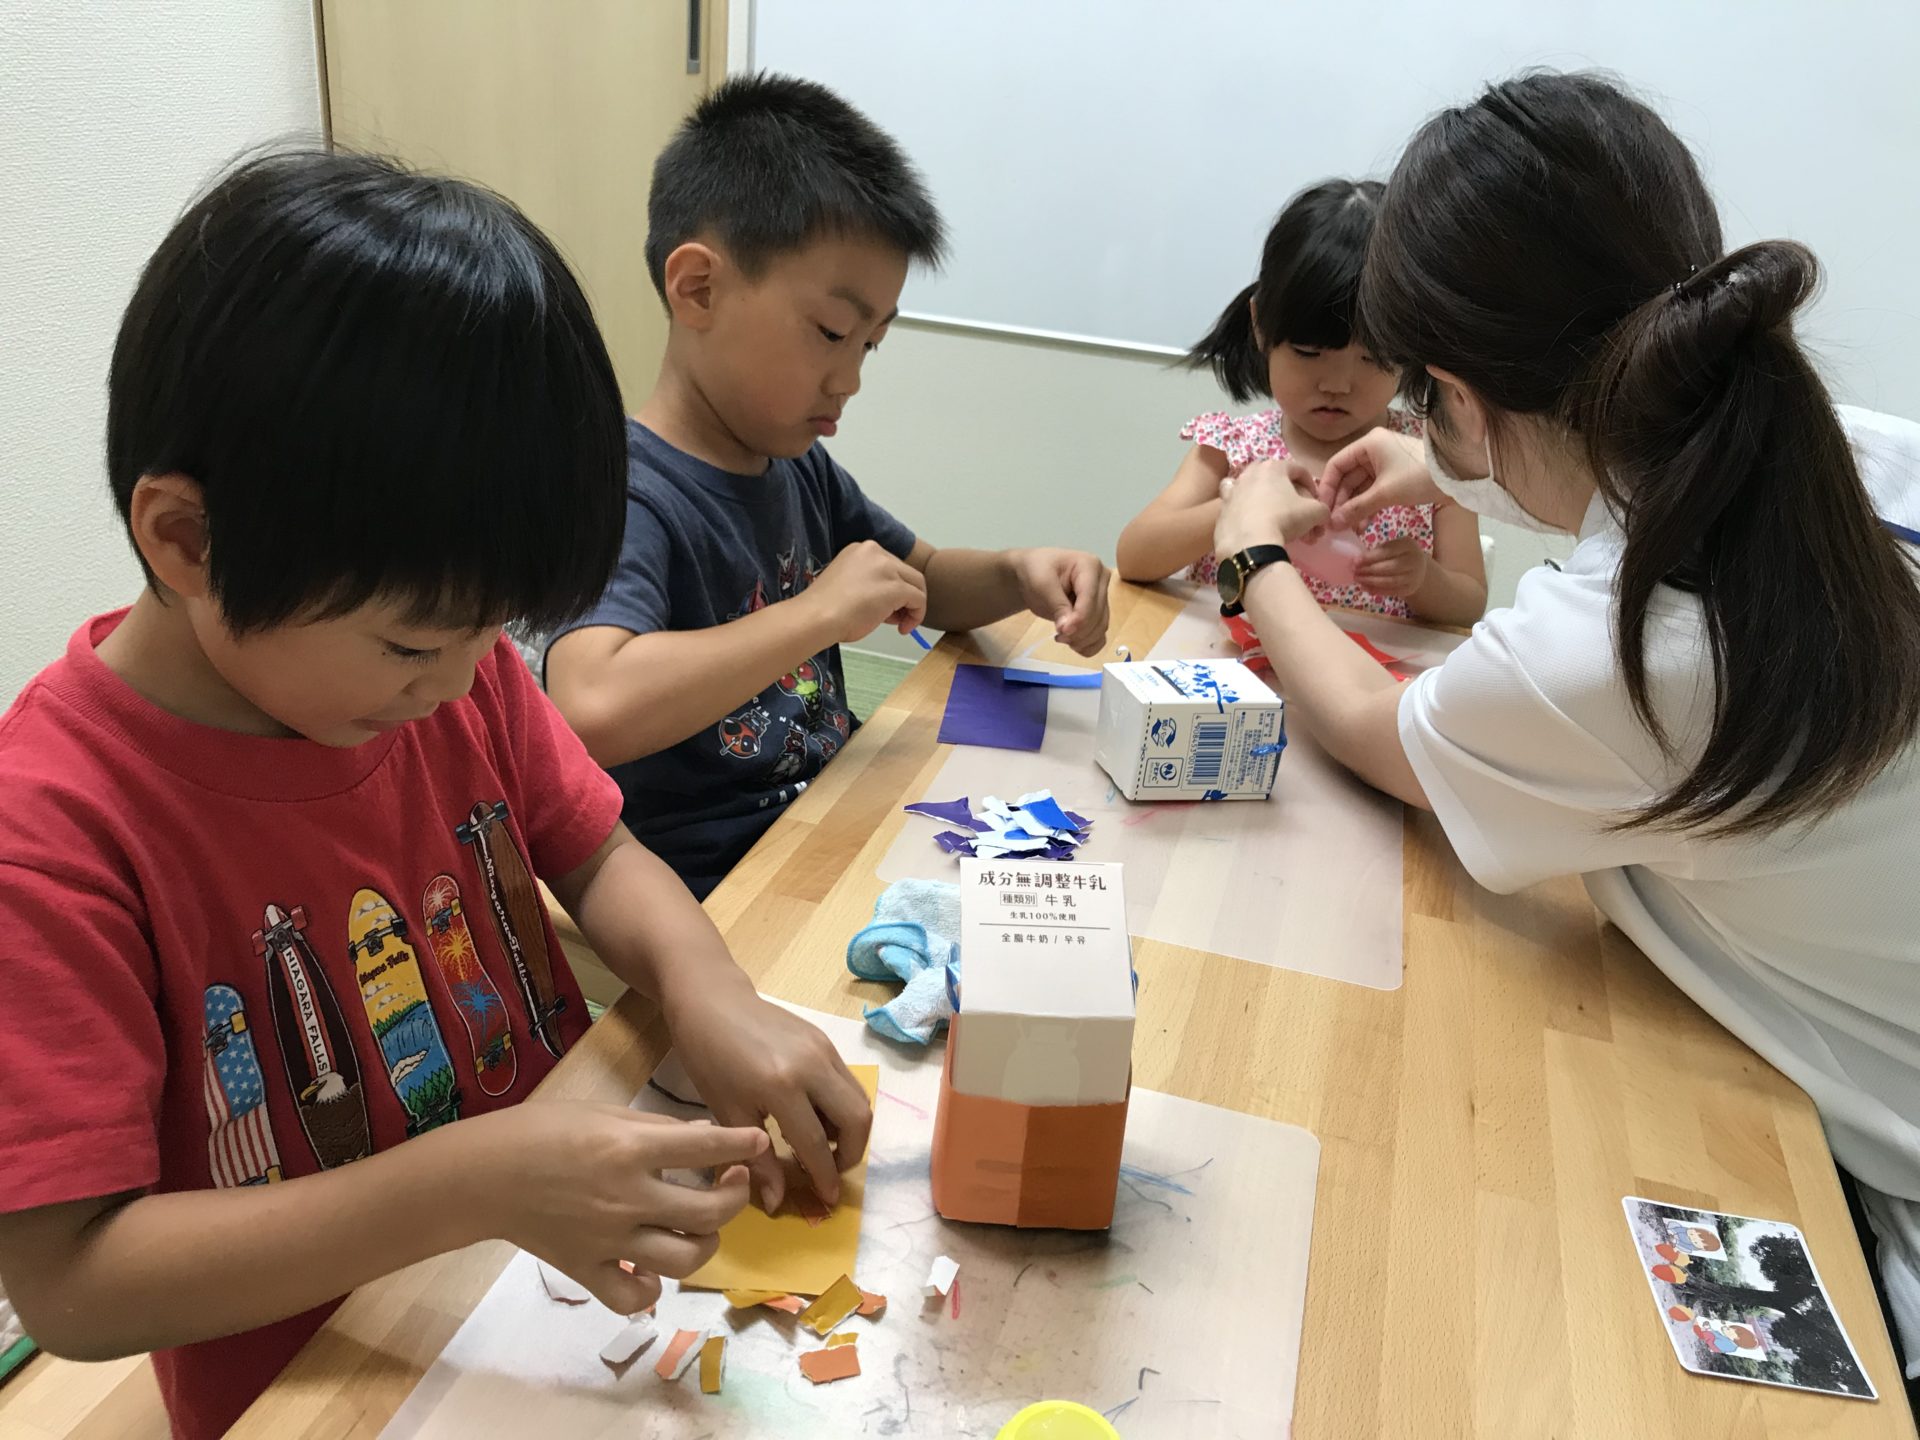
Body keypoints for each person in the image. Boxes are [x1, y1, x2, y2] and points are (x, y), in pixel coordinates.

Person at [0, 151, 872, 1439]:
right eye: (415, 643)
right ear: (186, 540)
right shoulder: (52, 832)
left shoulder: (443, 678)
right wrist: (470, 1183)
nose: (468, 681)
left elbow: (600, 854)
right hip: (334, 1388)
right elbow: (71, 1286)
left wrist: (709, 991)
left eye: (492, 632)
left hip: (540, 1299)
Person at [1213, 71, 1920, 1407]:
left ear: (1457, 391)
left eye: (1420, 401)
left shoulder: (1617, 651)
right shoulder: (1851, 452)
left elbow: (1368, 725)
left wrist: (1254, 554)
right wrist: (1447, 465)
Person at [543, 75, 1111, 899]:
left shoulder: (795, 467)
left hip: (831, 821)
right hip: (721, 887)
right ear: (698, 288)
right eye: (832, 332)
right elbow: (590, 706)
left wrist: (1016, 572)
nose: (850, 380)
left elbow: (925, 579)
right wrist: (815, 614)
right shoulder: (626, 493)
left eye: (869, 345)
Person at [1116, 179, 1484, 627]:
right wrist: (1240, 508)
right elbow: (1134, 556)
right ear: (1260, 326)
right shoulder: (1231, 450)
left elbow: (1469, 604)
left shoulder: (1433, 461)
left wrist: (1423, 578)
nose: (1337, 384)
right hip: (1228, 664)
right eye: (1309, 353)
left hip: (1367, 667)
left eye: (1372, 358)